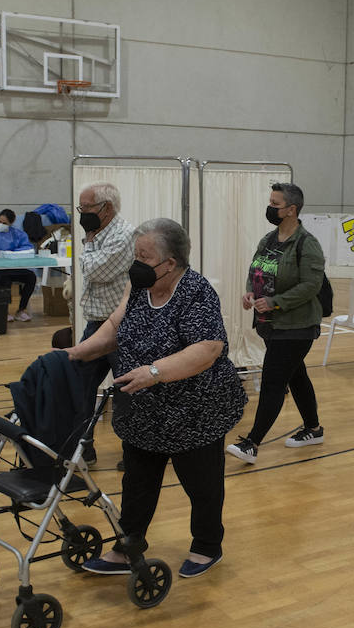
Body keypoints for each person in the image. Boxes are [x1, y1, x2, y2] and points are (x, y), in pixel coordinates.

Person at [67, 219, 246, 578]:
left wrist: (154, 371)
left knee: (202, 483)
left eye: (143, 257)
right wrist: (77, 352)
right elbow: (116, 326)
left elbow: (208, 348)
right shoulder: (139, 286)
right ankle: (128, 544)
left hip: (195, 409)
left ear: (171, 263)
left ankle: (207, 545)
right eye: (136, 254)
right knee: (136, 481)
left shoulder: (196, 292)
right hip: (145, 409)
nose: (136, 264)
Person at [226, 182, 327, 464]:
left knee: (273, 381)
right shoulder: (268, 240)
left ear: (292, 210)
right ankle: (313, 429)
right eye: (270, 202)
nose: (270, 208)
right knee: (297, 375)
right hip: (270, 324)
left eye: (275, 204)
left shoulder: (308, 245)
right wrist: (250, 291)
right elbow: (255, 270)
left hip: (297, 326)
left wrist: (275, 301)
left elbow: (311, 285)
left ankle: (252, 443)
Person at [73, 182, 135, 463]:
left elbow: (95, 270)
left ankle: (133, 451)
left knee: (126, 392)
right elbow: (89, 267)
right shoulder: (96, 234)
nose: (82, 213)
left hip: (122, 327)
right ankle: (83, 448)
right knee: (79, 386)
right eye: (81, 207)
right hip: (96, 324)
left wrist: (86, 246)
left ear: (106, 208)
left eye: (86, 208)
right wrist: (89, 246)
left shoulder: (124, 235)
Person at [0, 208, 37, 323]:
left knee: (31, 277)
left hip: (11, 268)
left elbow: (27, 247)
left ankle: (21, 310)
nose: (1, 224)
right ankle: (3, 311)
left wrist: (13, 253)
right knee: (4, 279)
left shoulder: (16, 234)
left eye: (4, 223)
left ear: (11, 223)